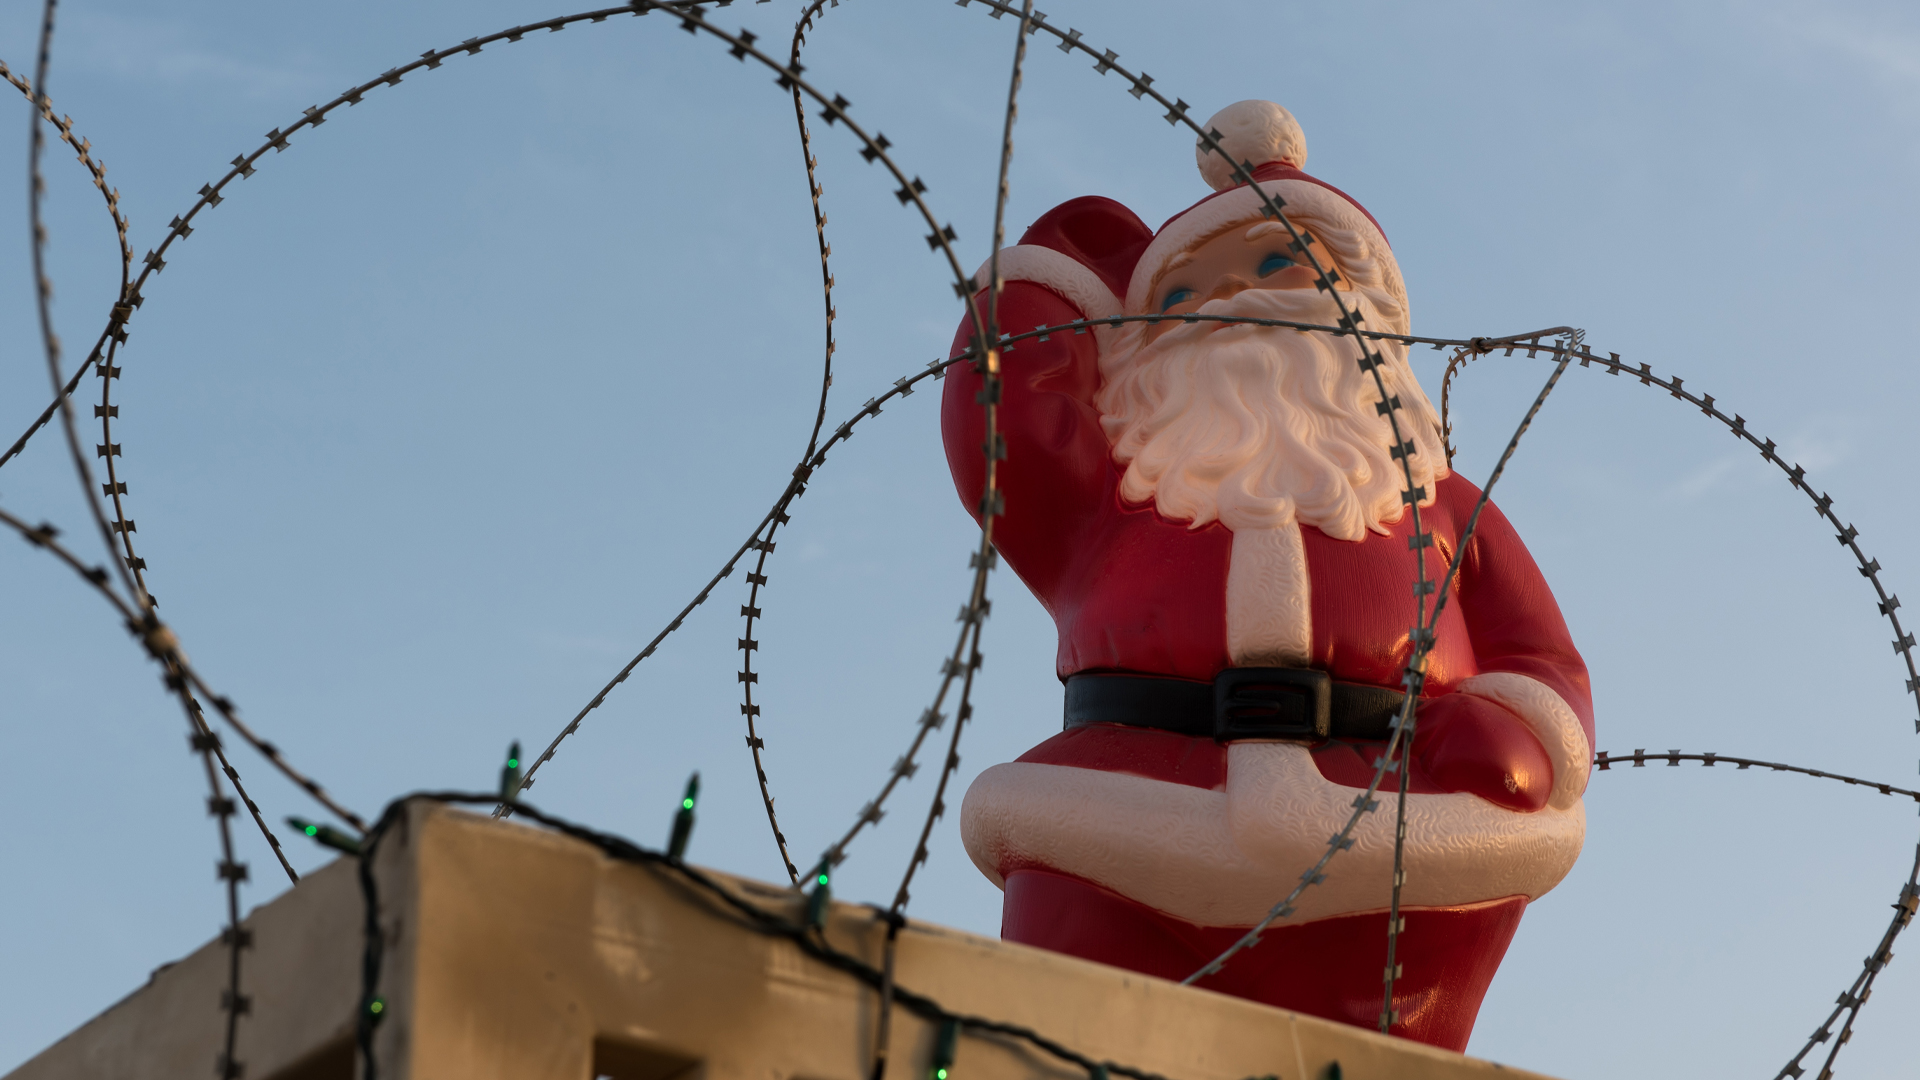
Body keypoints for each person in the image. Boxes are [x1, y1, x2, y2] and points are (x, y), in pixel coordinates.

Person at [941, 100, 1593, 1051]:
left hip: (1403, 844)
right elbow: (1005, 423)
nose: (1238, 296)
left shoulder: (1445, 507)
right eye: (1187, 293)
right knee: (1074, 1043)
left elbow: (1537, 649)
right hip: (1121, 825)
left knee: (1375, 1062)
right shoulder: (1113, 493)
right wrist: (1055, 282)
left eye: (1279, 263)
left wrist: (1523, 727)